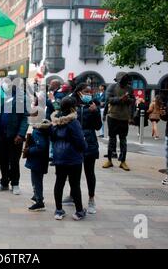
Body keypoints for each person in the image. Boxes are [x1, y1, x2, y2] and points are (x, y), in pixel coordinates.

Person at [63, 83, 102, 215]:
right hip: (75, 144)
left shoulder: (93, 105)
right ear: (79, 92)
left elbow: (98, 127)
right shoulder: (72, 105)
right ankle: (73, 195)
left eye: (90, 92)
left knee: (89, 172)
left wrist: (95, 112)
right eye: (86, 92)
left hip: (90, 143)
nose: (88, 94)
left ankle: (91, 199)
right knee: (74, 173)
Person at [51, 97, 88, 221]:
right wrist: (84, 147)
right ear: (73, 108)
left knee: (59, 182)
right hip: (73, 157)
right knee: (75, 184)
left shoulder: (56, 122)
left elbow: (53, 138)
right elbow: (80, 141)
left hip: (59, 156)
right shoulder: (73, 122)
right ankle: (79, 211)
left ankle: (58, 210)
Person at [0, 79, 29, 195]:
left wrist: (21, 134)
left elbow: (25, 118)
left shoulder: (22, 98)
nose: (8, 85)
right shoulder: (1, 96)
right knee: (2, 159)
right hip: (2, 133)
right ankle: (4, 182)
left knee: (14, 161)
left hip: (15, 135)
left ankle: (15, 183)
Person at [103, 72, 135, 171]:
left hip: (124, 118)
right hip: (113, 117)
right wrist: (121, 98)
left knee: (123, 140)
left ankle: (123, 161)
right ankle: (109, 159)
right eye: (122, 80)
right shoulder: (112, 87)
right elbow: (108, 99)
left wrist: (131, 115)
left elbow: (133, 101)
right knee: (112, 139)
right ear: (117, 80)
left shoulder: (129, 88)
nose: (124, 83)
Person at [24, 119, 51, 212]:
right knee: (37, 180)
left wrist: (29, 150)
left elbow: (41, 146)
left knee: (36, 181)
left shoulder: (37, 131)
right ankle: (37, 196)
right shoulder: (43, 130)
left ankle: (39, 202)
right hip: (40, 161)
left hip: (36, 161)